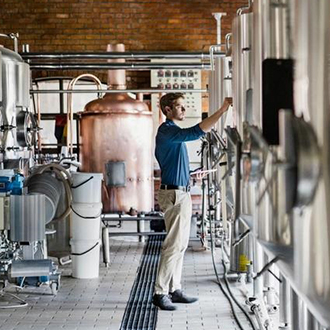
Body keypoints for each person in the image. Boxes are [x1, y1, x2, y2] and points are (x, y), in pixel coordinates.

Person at [152, 92, 232, 311]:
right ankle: (160, 292)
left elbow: (174, 166)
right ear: (167, 110)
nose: (183, 110)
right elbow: (197, 131)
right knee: (173, 245)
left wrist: (192, 175)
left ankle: (174, 288)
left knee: (181, 245)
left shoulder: (173, 134)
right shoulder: (167, 130)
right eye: (179, 106)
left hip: (182, 190)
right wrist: (222, 110)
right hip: (174, 195)